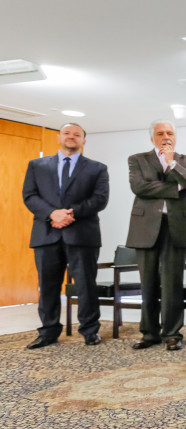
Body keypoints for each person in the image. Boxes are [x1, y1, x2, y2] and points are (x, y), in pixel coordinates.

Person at [22, 123, 109, 349]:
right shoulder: (37, 165)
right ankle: (48, 332)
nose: (72, 137)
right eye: (67, 134)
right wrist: (52, 213)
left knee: (85, 285)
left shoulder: (97, 168)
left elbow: (100, 199)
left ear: (83, 141)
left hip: (82, 234)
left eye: (77, 135)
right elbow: (30, 196)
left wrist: (71, 213)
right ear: (59, 137)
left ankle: (90, 331)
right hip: (46, 233)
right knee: (48, 285)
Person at [126, 119, 186, 351]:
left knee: (172, 284)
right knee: (148, 284)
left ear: (175, 137)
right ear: (153, 138)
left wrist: (173, 165)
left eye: (170, 133)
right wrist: (177, 187)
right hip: (145, 228)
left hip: (177, 227)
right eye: (160, 133)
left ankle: (172, 334)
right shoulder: (137, 159)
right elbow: (139, 188)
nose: (166, 136)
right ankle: (149, 334)